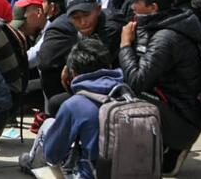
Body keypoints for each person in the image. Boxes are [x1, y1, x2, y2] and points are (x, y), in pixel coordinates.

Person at [119, 0, 201, 176]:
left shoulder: (166, 37)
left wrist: (125, 45)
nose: (132, 5)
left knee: (125, 96)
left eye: (137, 2)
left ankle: (174, 146)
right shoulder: (161, 24)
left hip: (183, 119)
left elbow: (137, 80)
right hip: (176, 107)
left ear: (153, 7)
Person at [19, 38, 124, 178]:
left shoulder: (75, 105)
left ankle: (31, 162)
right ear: (109, 65)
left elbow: (52, 155)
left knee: (48, 124)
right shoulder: (128, 95)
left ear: (72, 73)